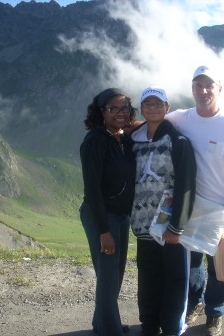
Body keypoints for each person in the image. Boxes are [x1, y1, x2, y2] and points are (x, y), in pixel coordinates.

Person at [165, 66, 224, 336]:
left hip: (222, 207)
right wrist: (118, 128)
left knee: (221, 265)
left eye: (208, 85)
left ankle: (215, 313)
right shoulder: (181, 118)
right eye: (197, 85)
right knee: (192, 262)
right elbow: (152, 120)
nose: (203, 91)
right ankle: (195, 303)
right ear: (191, 89)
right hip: (190, 207)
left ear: (219, 89)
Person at [130, 87, 197, 336]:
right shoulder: (134, 142)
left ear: (167, 108)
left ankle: (170, 327)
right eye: (147, 104)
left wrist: (177, 225)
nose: (153, 108)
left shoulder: (178, 142)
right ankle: (149, 324)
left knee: (174, 278)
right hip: (142, 222)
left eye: (158, 104)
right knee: (148, 277)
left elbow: (186, 184)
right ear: (142, 109)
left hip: (169, 226)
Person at [79, 88, 137, 336]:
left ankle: (103, 322)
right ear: (102, 111)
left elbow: (135, 123)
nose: (120, 113)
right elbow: (91, 188)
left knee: (114, 272)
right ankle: (109, 330)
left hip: (121, 215)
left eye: (124, 108)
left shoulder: (121, 137)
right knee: (109, 274)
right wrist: (103, 230)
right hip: (102, 215)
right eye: (113, 108)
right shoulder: (96, 140)